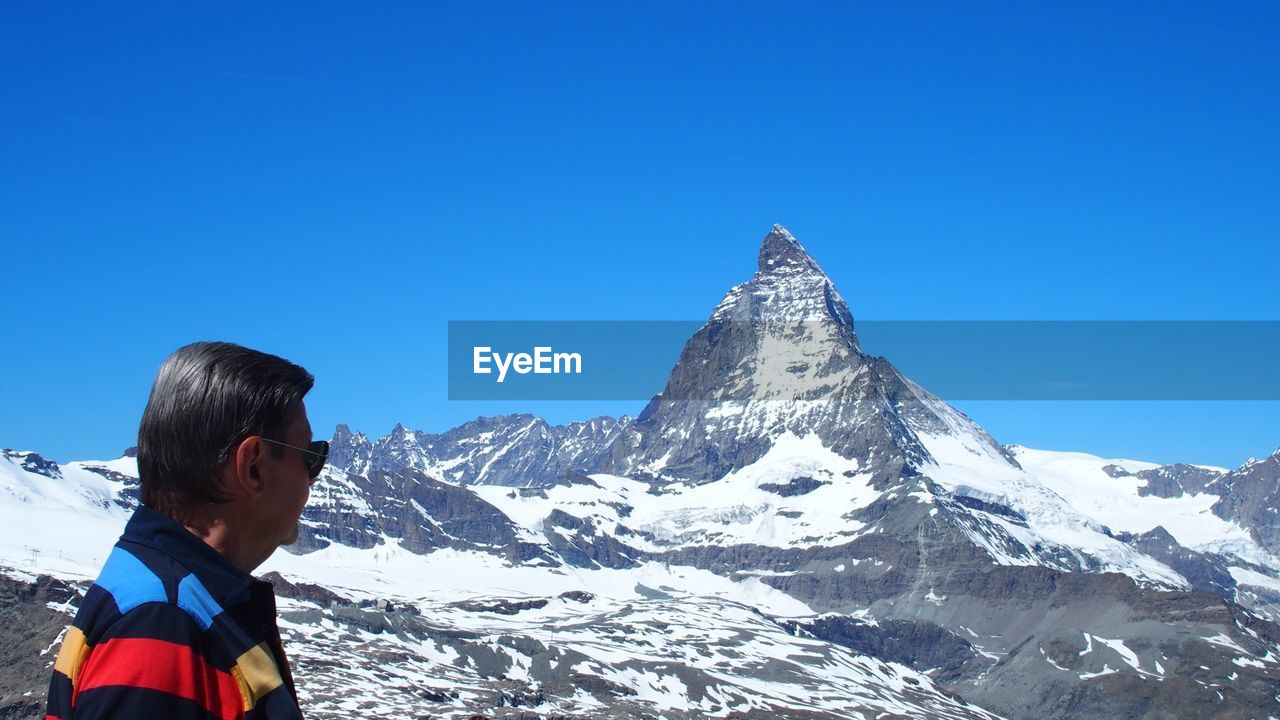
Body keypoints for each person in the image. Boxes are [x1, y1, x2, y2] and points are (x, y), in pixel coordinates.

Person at [46, 341, 327, 720]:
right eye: (311, 455)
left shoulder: (167, 598)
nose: (314, 476)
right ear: (253, 467)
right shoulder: (159, 630)